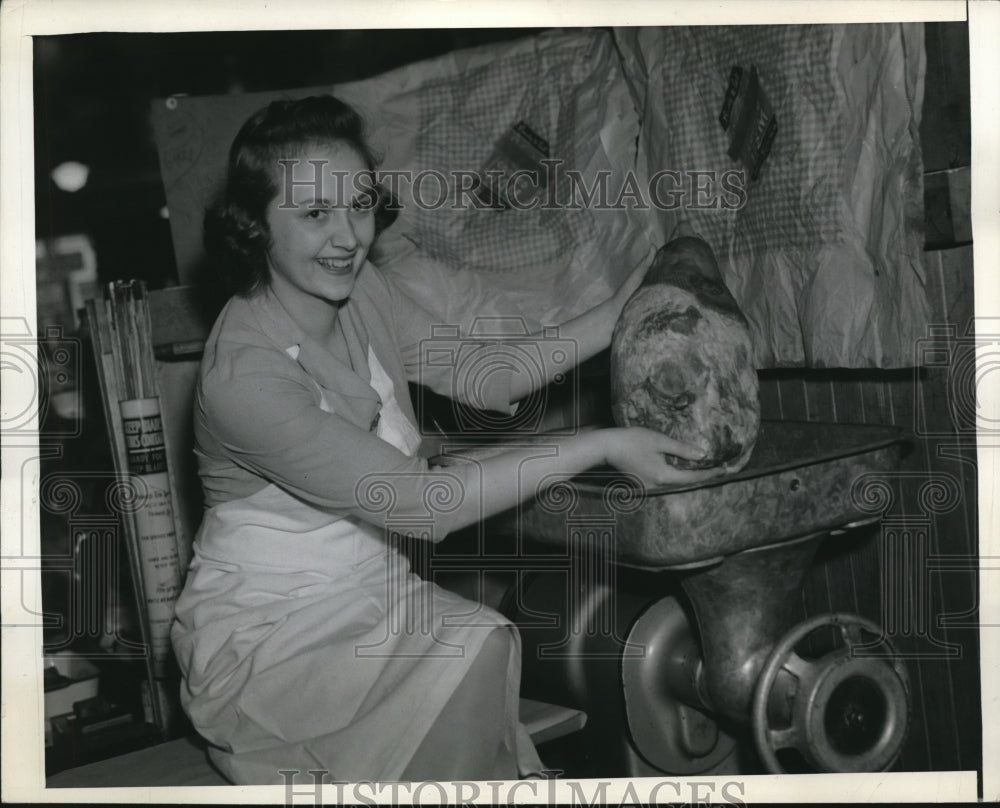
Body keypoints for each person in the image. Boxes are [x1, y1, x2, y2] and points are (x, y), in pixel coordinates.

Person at [170, 95, 719, 785]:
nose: (347, 237)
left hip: (373, 594)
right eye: (314, 215)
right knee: (473, 645)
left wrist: (621, 312)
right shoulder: (242, 377)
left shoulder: (358, 288)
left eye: (360, 205)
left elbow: (485, 373)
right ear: (254, 227)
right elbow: (427, 506)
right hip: (273, 638)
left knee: (480, 642)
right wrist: (602, 444)